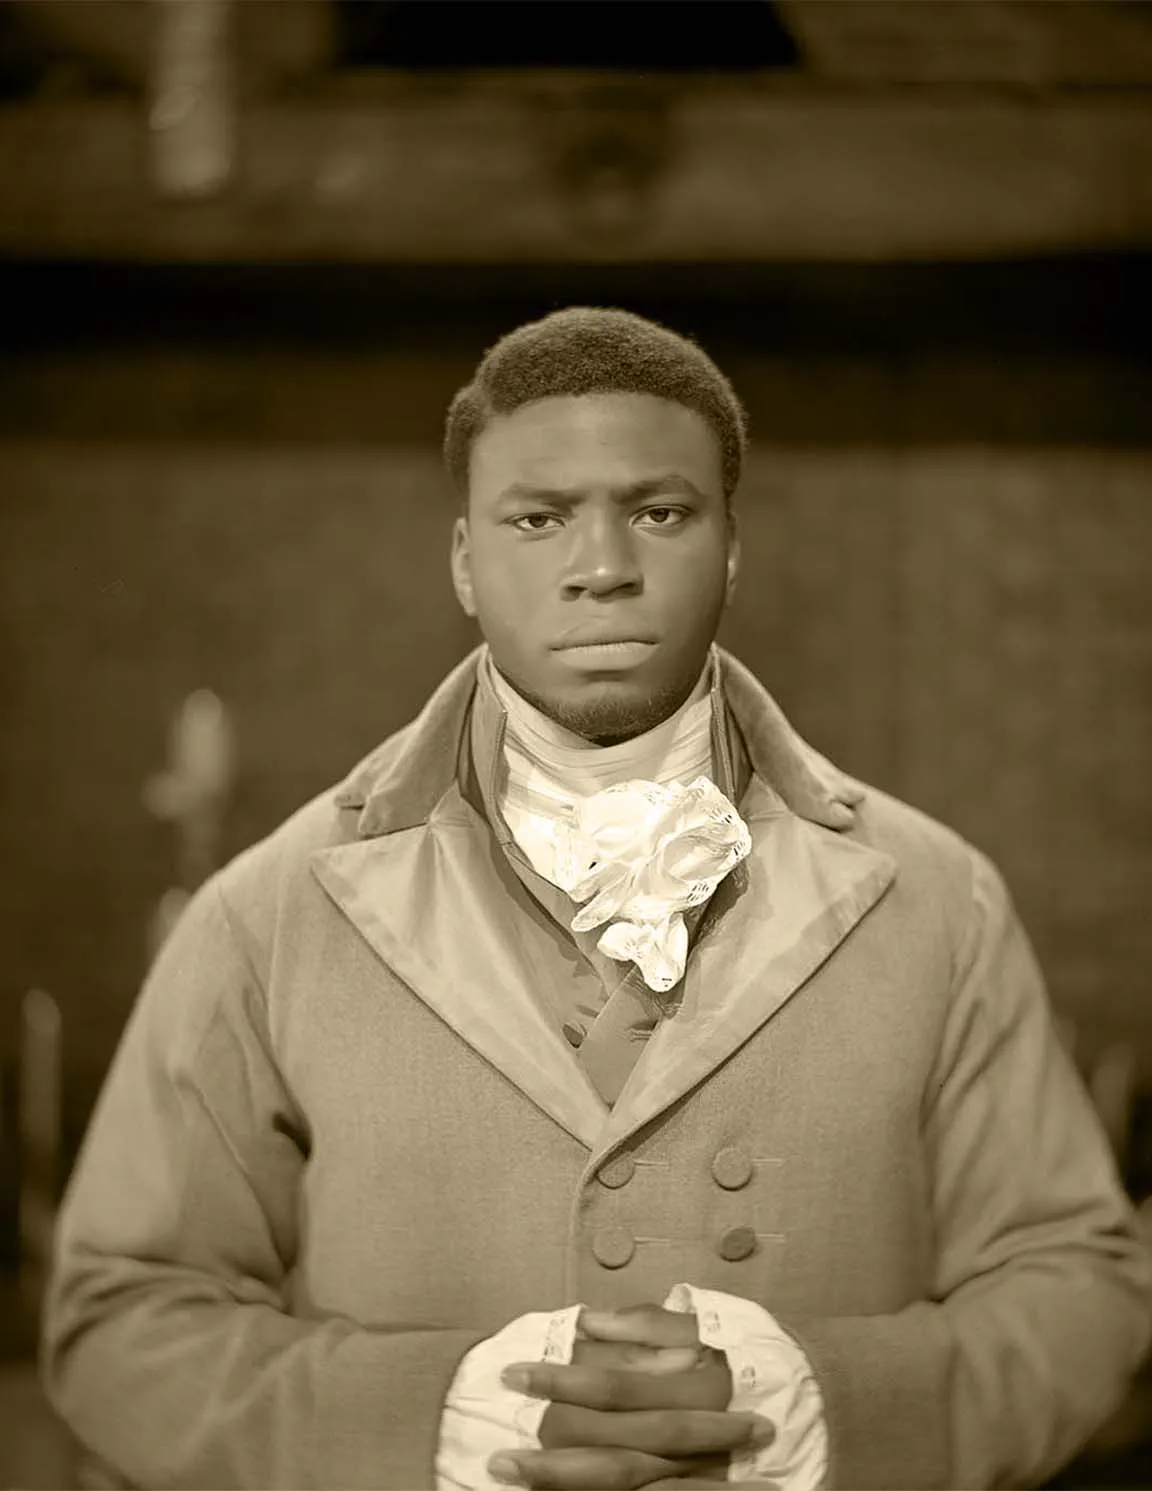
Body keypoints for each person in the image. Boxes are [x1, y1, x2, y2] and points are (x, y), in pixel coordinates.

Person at [43, 307, 1151, 1491]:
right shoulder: (268, 913)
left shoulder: (941, 901)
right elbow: (122, 1319)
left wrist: (836, 1408)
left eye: (661, 512)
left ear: (733, 548)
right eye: (538, 518)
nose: (604, 567)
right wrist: (424, 1419)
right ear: (466, 562)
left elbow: (1076, 1280)